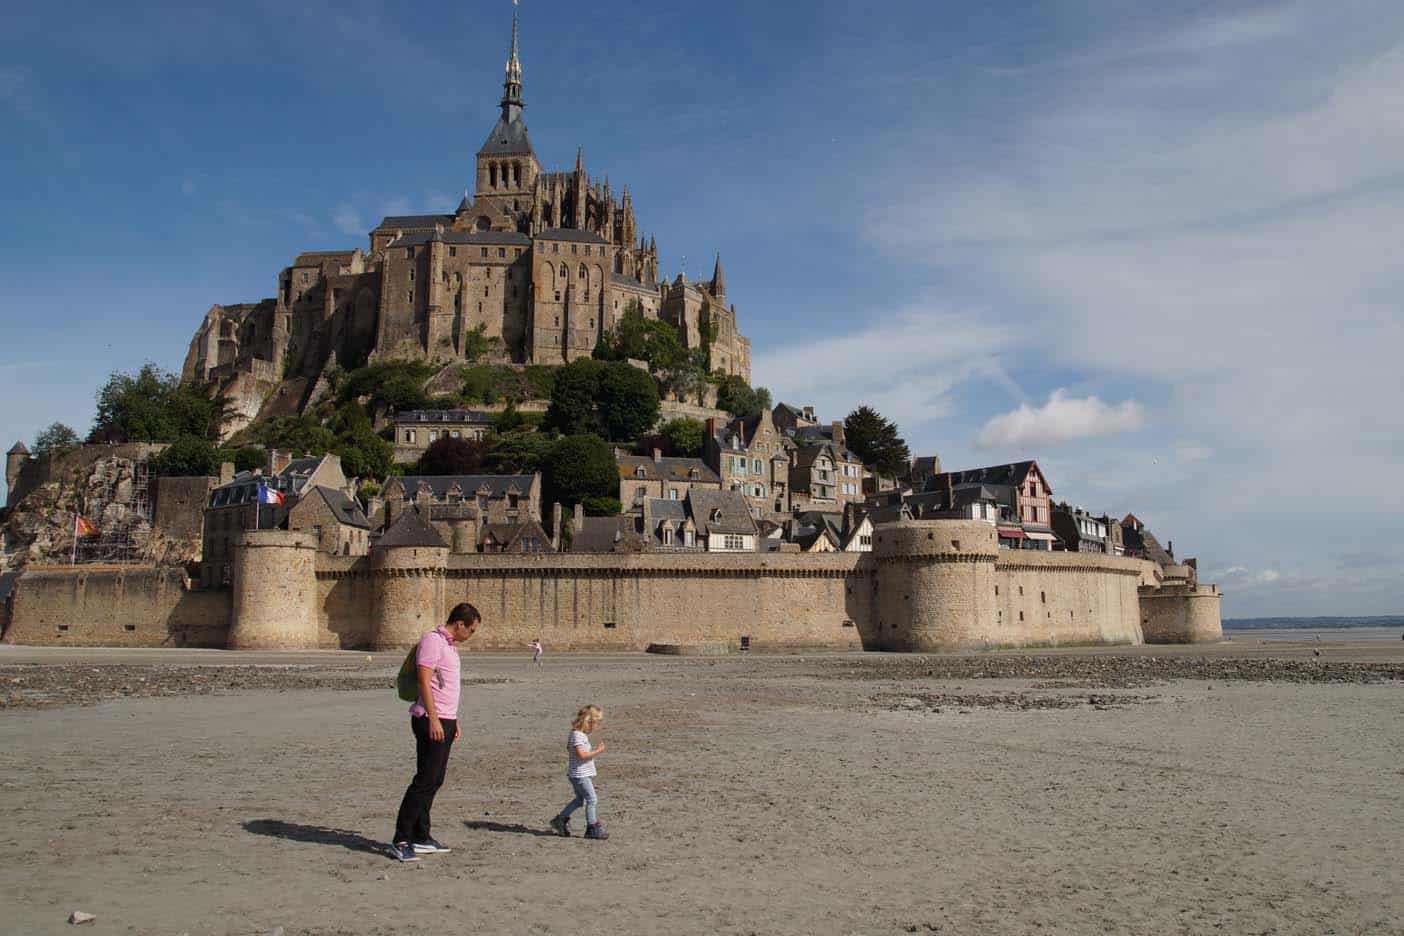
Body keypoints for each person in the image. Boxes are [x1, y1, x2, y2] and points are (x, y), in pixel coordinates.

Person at [390, 602, 481, 862]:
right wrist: (432, 719)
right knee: (424, 781)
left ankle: (421, 836)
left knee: (435, 780)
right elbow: (424, 679)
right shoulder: (433, 641)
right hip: (430, 719)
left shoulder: (450, 646)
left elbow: (445, 688)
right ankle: (401, 838)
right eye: (471, 630)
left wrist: (453, 720)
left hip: (445, 719)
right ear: (460, 624)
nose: (470, 635)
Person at [548, 705, 608, 840]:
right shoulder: (577, 736)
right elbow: (582, 755)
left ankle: (560, 820)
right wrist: (598, 751)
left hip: (578, 774)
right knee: (592, 799)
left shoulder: (576, 734)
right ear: (589, 722)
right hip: (580, 775)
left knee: (580, 800)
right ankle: (592, 828)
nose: (596, 727)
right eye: (596, 724)